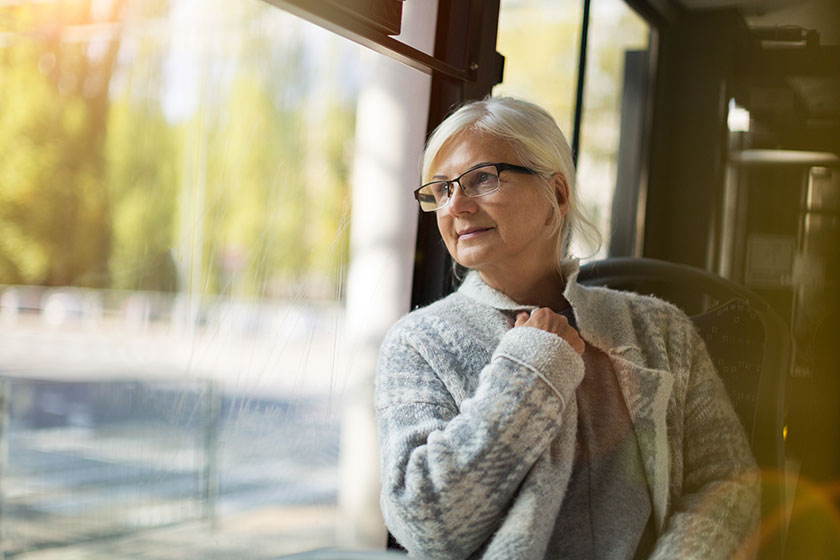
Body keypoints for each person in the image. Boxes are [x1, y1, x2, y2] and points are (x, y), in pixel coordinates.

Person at [375, 96, 759, 559]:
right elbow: (427, 525)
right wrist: (531, 369)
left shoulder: (663, 329)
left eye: (482, 178)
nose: (455, 205)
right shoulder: (418, 343)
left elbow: (728, 485)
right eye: (440, 190)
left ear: (556, 194)